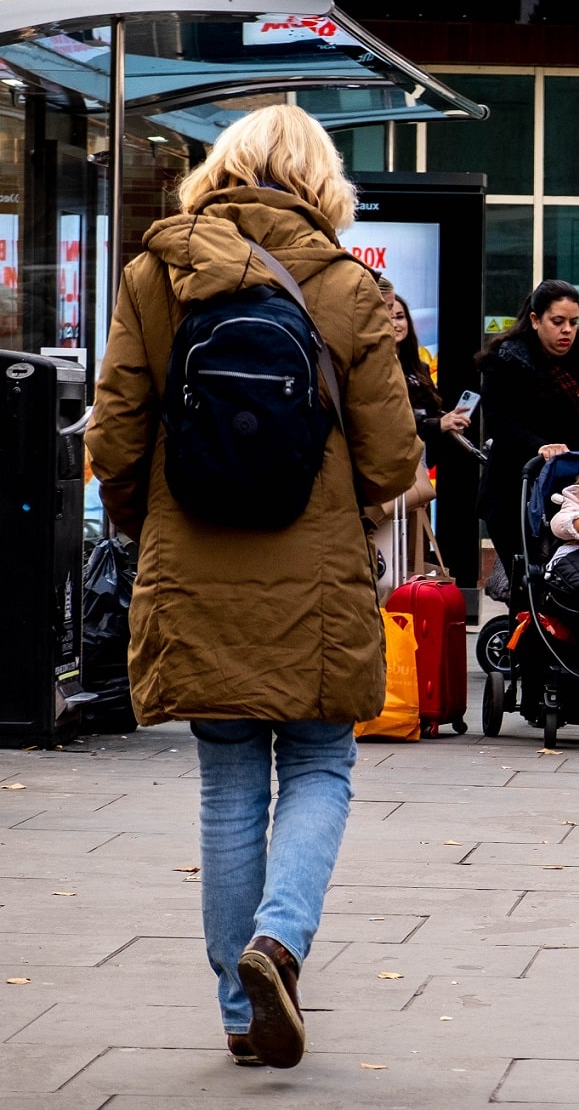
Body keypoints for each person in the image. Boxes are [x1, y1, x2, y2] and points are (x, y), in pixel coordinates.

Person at [85, 103, 423, 1069]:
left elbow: (113, 434)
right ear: (322, 184)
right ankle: (278, 939)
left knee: (228, 779)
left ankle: (240, 1010)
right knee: (320, 762)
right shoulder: (347, 289)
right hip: (313, 579)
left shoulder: (154, 274)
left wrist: (144, 521)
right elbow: (394, 458)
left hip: (191, 570)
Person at [475, 280, 579, 583]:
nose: (567, 331)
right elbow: (499, 420)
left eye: (573, 322)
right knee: (528, 579)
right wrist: (540, 446)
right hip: (517, 489)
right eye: (558, 321)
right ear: (535, 320)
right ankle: (525, 626)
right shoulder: (506, 360)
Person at [389, 294, 468, 460]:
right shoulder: (373, 368)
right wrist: (438, 424)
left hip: (420, 456)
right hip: (392, 458)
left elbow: (430, 411)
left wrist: (448, 420)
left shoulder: (420, 366)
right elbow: (391, 421)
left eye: (400, 317)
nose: (395, 324)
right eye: (388, 318)